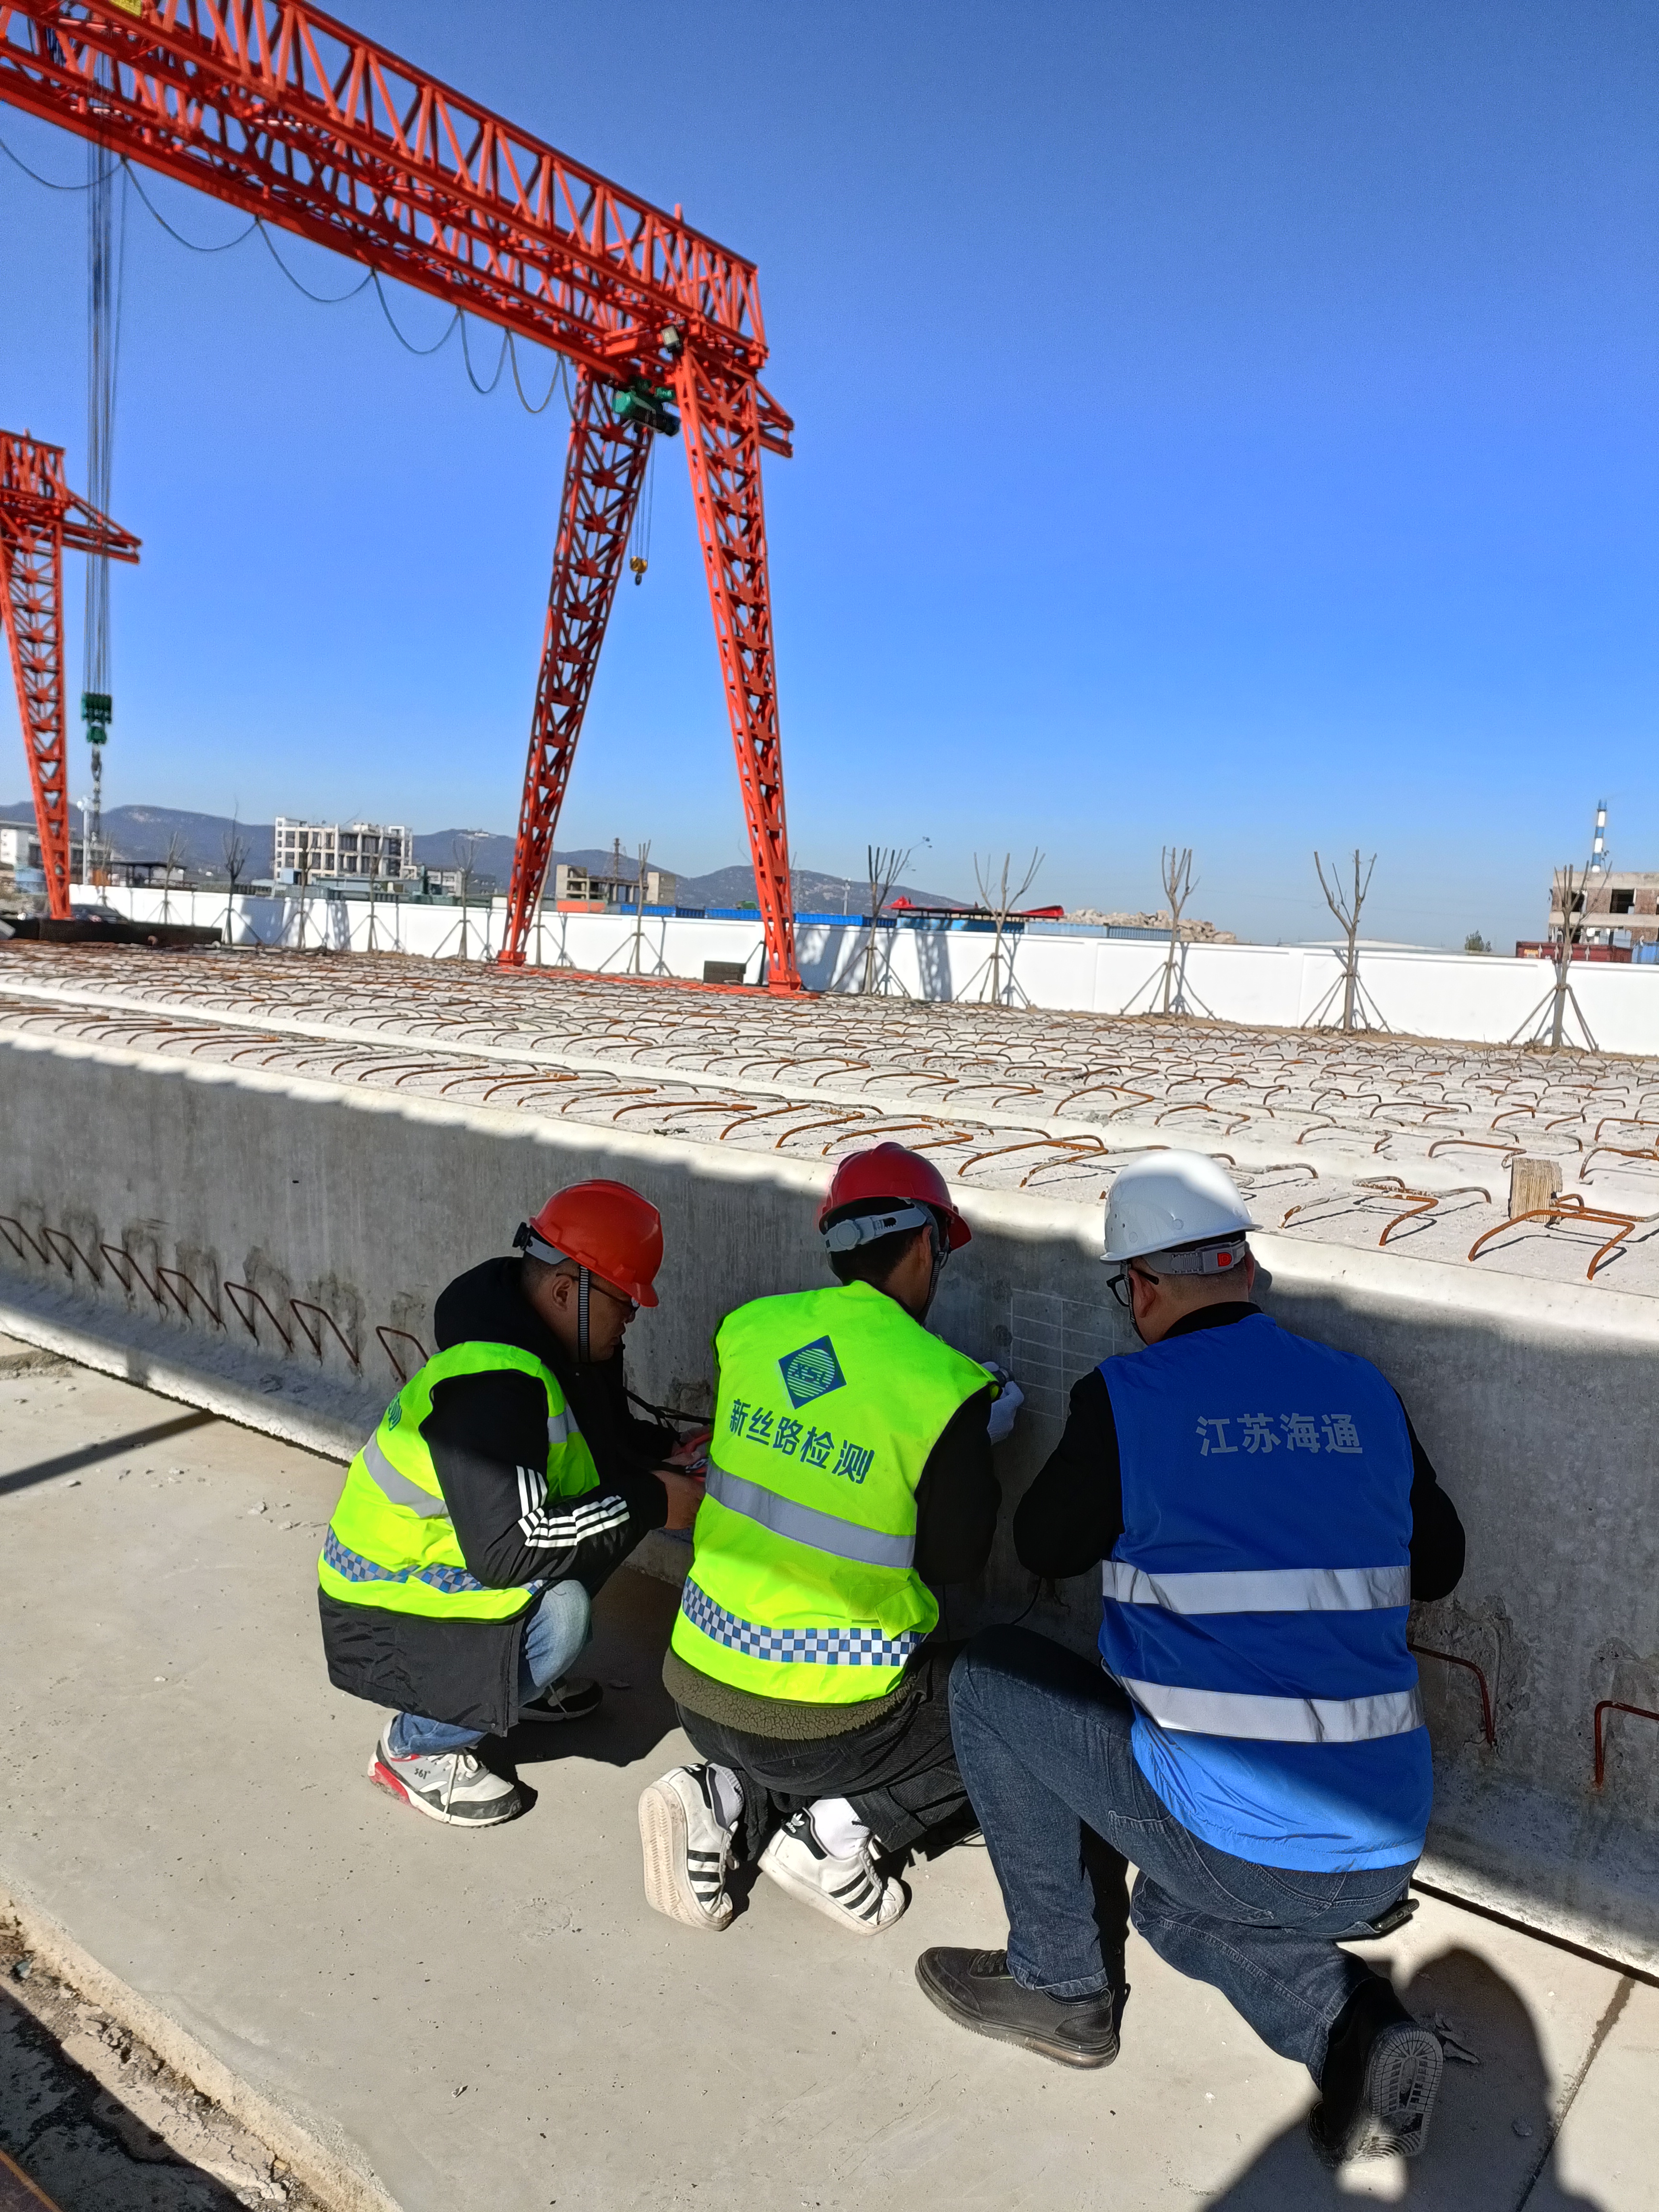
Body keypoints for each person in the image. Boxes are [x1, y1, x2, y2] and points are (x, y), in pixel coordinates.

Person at [916, 1150, 1466, 2168]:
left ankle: (1058, 1985)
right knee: (1171, 1908)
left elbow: (1044, 1546)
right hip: (1386, 1841)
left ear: (1141, 1288)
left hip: (1248, 1838)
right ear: (1244, 1268)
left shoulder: (1129, 1397)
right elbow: (1441, 1561)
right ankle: (1355, 2030)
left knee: (990, 1676)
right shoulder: (1363, 1391)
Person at [638, 1143, 1022, 1937]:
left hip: (697, 1684)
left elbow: (821, 1434)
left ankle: (721, 1792)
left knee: (788, 1726)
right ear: (927, 1246)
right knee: (1001, 1711)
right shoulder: (946, 1387)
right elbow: (954, 1562)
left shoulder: (751, 1331)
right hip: (825, 1723)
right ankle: (835, 1840)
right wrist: (969, 1445)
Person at [318, 1179, 703, 1827]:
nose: (632, 1319)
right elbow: (510, 1551)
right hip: (380, 1602)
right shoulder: (493, 1384)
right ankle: (415, 1745)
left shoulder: (560, 1346)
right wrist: (650, 1500)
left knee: (614, 1511)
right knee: (563, 1612)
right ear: (566, 1292)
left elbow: (600, 1444)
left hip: (438, 1569)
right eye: (625, 1303)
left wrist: (671, 1452)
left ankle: (508, 1683)